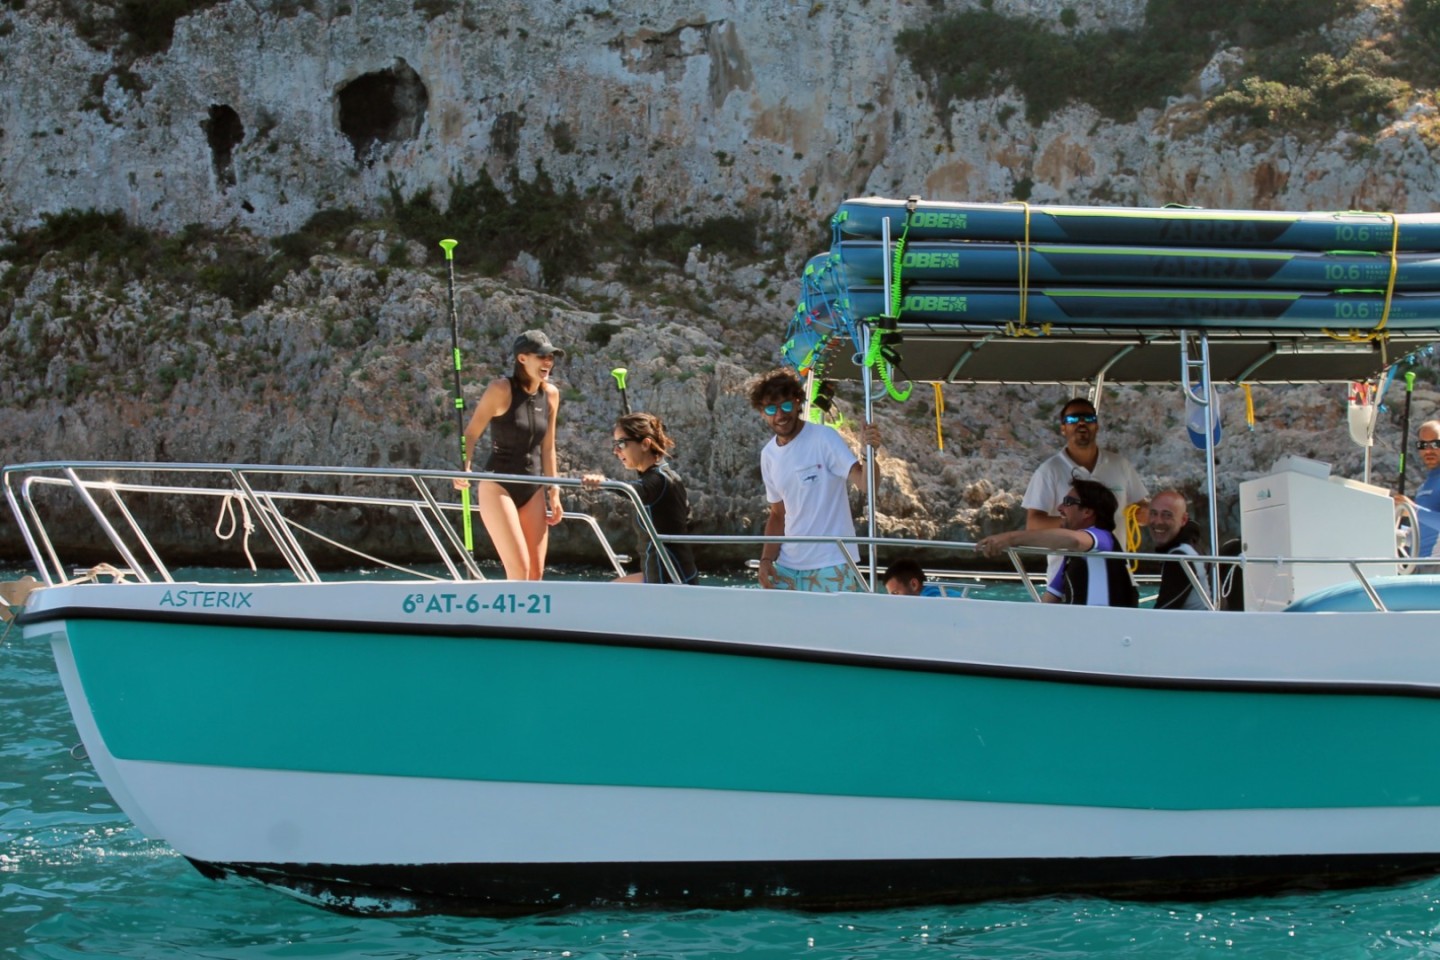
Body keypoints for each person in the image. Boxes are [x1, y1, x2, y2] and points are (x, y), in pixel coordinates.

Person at [750, 369, 881, 592]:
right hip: (787, 566)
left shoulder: (824, 438)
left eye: (786, 406)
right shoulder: (768, 455)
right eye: (771, 409)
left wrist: (869, 454)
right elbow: (777, 514)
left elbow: (866, 484)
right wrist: (766, 560)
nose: (780, 415)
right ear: (762, 413)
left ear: (797, 402)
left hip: (832, 563)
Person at [454, 329, 565, 580]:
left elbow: (548, 447)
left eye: (551, 357)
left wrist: (554, 491)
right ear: (522, 358)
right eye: (542, 356)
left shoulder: (551, 394)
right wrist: (465, 468)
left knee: (535, 574)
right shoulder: (500, 389)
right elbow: (471, 433)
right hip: (498, 484)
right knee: (520, 571)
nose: (548, 362)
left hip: (533, 486)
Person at [1022, 397, 1148, 580]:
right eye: (1073, 419)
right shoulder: (1049, 471)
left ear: (1097, 426)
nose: (1081, 423)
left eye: (1088, 418)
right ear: (1063, 428)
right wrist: (1079, 523)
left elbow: (1143, 509)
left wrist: (1144, 513)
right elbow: (1033, 524)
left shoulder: (1121, 465)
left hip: (1117, 576)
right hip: (1066, 578)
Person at [977, 478, 1139, 606]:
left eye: (1068, 502)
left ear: (1087, 511)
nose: (1060, 507)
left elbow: (1074, 540)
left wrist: (1011, 539)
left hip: (1103, 630)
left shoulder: (1103, 538)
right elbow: (1050, 599)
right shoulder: (1071, 557)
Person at [581, 412, 698, 584]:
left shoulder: (660, 479)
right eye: (615, 444)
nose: (616, 450)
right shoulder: (665, 476)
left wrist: (603, 482)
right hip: (668, 576)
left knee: (608, 592)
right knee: (611, 588)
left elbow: (637, 490)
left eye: (621, 443)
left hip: (669, 581)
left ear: (645, 444)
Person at [1148, 489, 1208, 610]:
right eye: (1153, 513)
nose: (1158, 521)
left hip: (1201, 621)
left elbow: (1163, 611)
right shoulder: (1190, 546)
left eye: (1167, 515)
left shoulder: (1180, 558)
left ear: (1183, 520)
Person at [1396, 419, 1440, 569]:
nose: (1428, 451)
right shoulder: (1424, 486)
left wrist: (1413, 510)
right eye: (1423, 445)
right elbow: (1425, 532)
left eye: (1435, 444)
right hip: (1419, 568)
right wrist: (1401, 535)